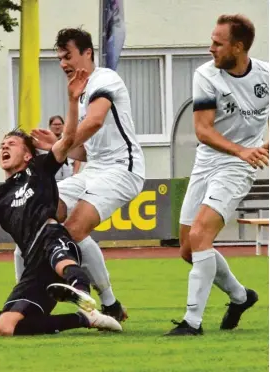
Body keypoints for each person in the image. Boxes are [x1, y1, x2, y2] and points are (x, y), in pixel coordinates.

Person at [0, 69, 122, 336]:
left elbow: (69, 139)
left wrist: (73, 102)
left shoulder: (40, 167)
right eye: (2, 145)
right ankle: (84, 319)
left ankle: (82, 293)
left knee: (63, 263)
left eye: (12, 144)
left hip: (53, 238)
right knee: (6, 328)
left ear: (28, 155)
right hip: (32, 263)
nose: (4, 147)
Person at [31, 27, 145, 321]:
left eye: (67, 56)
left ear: (87, 53)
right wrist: (56, 147)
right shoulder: (79, 94)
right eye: (59, 58)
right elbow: (85, 151)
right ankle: (26, 300)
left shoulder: (105, 79)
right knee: (42, 216)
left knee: (74, 229)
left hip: (123, 169)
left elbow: (94, 124)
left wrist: (62, 144)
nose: (63, 63)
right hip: (94, 169)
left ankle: (107, 303)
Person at [165, 14, 269, 336]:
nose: (210, 48)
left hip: (238, 167)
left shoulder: (265, 75)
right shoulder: (206, 75)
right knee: (188, 249)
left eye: (218, 43)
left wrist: (256, 149)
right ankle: (240, 296)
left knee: (200, 238)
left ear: (238, 47)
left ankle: (192, 322)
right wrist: (240, 149)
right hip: (208, 161)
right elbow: (202, 130)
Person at [48, 115, 81, 181]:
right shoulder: (45, 140)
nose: (57, 127)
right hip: (51, 180)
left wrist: (75, 173)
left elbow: (78, 159)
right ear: (50, 126)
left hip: (68, 179)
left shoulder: (70, 140)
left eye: (59, 124)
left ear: (63, 126)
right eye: (55, 124)